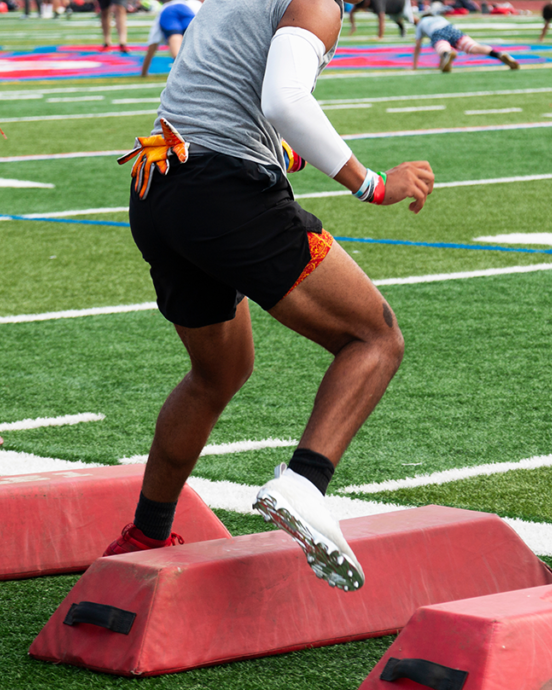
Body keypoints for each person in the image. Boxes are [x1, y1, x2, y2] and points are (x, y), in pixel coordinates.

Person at [105, 0, 434, 592]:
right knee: (373, 337)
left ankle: (145, 534)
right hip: (223, 194)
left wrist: (285, 151)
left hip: (158, 186)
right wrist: (373, 185)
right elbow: (284, 100)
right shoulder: (317, 3)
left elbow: (227, 95)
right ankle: (304, 482)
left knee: (218, 372)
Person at [412, 8, 519, 72]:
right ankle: (498, 54)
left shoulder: (421, 23)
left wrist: (415, 66)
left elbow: (418, 46)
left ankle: (447, 54)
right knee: (474, 47)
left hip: (436, 32)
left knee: (442, 46)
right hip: (451, 28)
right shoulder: (439, 18)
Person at [140, 0, 202, 78]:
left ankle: (189, 71)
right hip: (188, 11)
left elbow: (153, 43)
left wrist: (144, 72)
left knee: (177, 50)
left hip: (169, 12)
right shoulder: (194, 3)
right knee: (196, 44)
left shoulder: (165, 8)